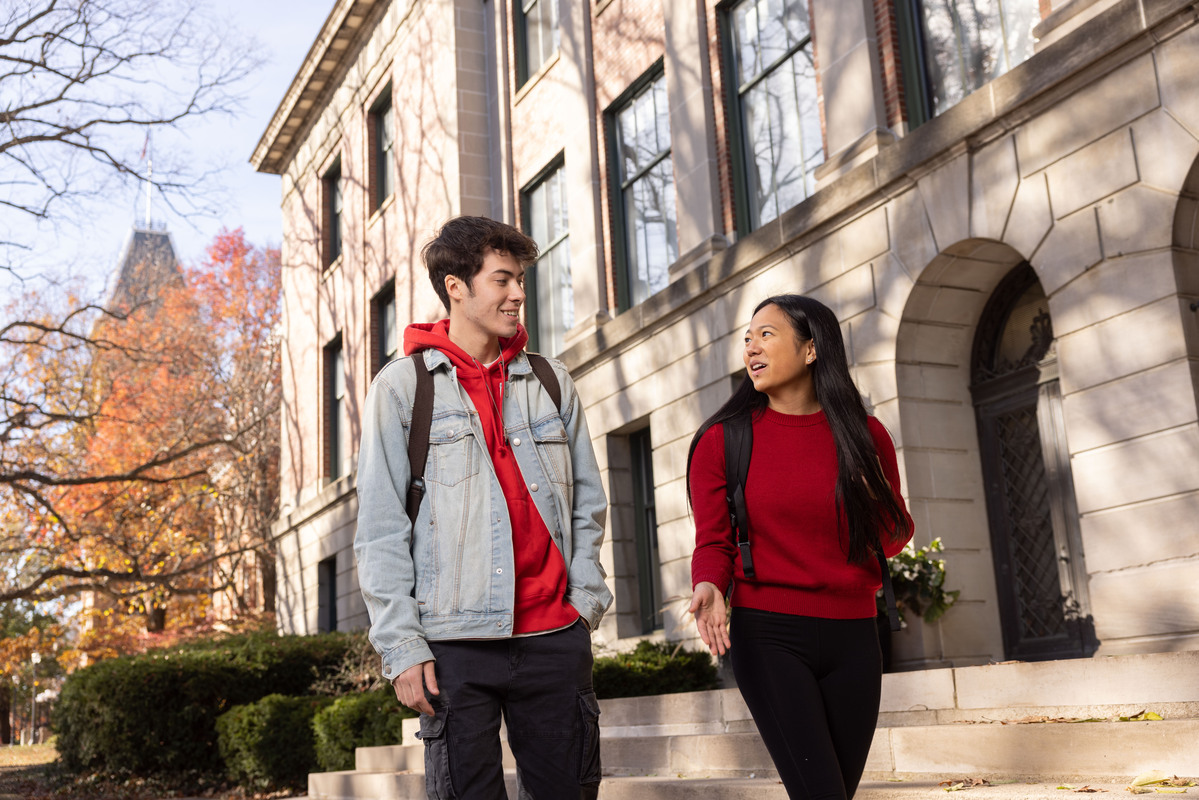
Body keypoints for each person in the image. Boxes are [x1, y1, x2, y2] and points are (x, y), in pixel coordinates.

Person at [354, 216, 612, 799]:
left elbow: (588, 503)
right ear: (456, 287)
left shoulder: (550, 380)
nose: (518, 293)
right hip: (454, 647)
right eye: (501, 280)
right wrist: (402, 647)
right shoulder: (402, 388)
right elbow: (380, 529)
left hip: (553, 638)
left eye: (519, 279)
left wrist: (584, 603)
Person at [687, 294, 914, 800]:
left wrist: (874, 491)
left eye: (766, 334)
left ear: (812, 349)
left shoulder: (866, 435)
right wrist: (709, 586)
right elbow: (714, 540)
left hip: (855, 635)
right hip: (769, 636)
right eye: (747, 338)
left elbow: (893, 540)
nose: (751, 346)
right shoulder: (723, 440)